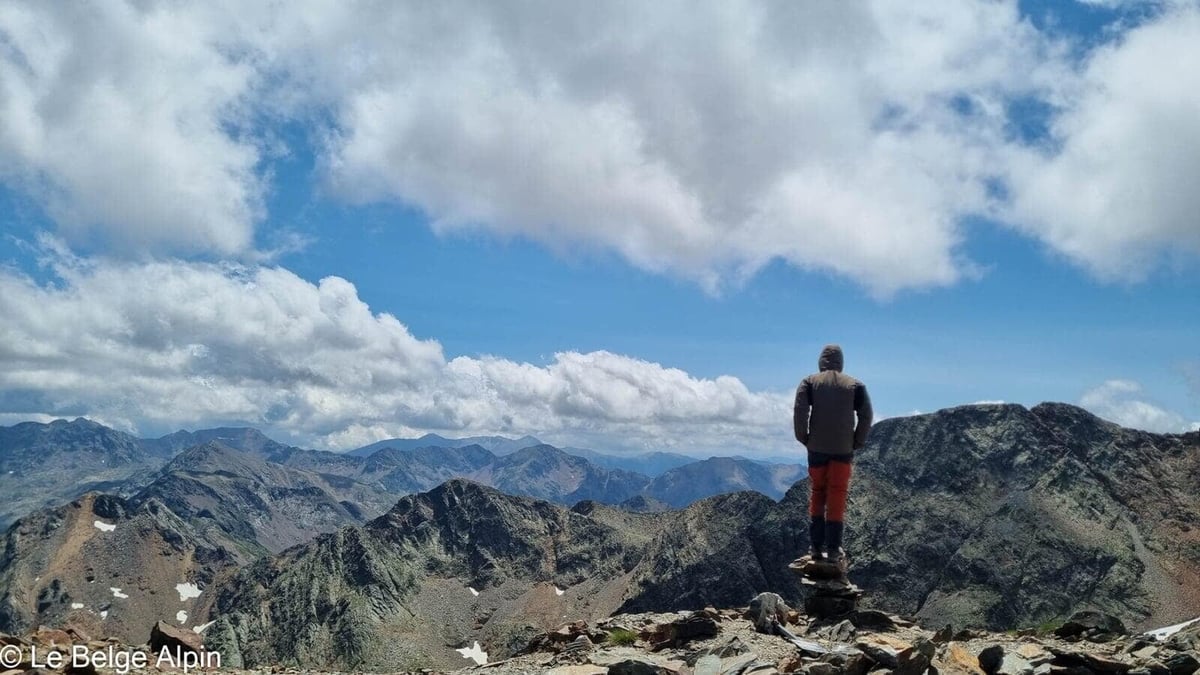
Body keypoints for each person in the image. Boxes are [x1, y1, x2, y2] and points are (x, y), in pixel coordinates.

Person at [794, 344, 872, 563]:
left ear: (821, 362)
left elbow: (800, 410)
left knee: (818, 493)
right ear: (841, 362)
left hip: (816, 449)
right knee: (837, 495)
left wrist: (804, 438)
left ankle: (816, 547)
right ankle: (834, 549)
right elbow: (866, 415)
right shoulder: (855, 385)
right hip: (843, 450)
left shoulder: (809, 382)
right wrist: (856, 441)